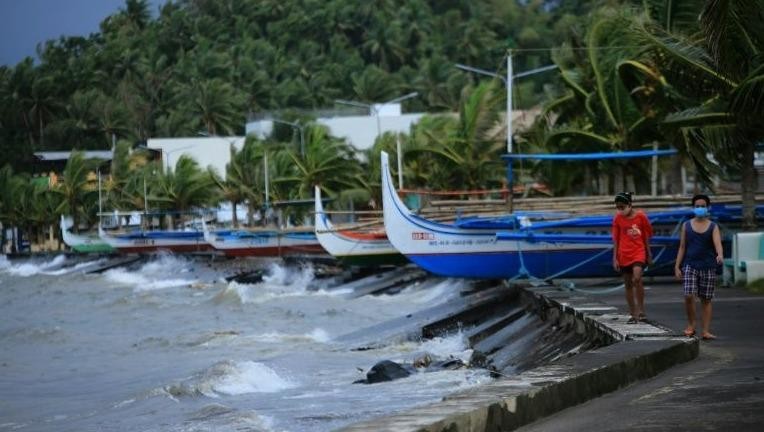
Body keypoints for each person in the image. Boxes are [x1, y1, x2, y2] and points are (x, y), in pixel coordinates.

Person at [674, 194, 723, 340]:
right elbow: (682, 247)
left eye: (703, 206)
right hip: (690, 265)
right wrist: (677, 266)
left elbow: (718, 244)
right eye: (697, 206)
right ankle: (691, 325)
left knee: (706, 299)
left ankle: (706, 331)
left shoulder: (713, 226)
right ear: (693, 208)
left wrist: (719, 254)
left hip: (708, 266)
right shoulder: (686, 225)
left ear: (708, 208)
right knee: (689, 295)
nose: (700, 208)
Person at [612, 192, 653, 324]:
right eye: (618, 207)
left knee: (637, 278)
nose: (620, 210)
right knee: (628, 283)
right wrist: (615, 258)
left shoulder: (641, 216)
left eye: (622, 207)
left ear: (630, 205)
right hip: (624, 254)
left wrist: (649, 253)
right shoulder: (617, 219)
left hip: (638, 252)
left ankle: (641, 310)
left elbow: (646, 236)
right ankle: (633, 312)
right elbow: (616, 240)